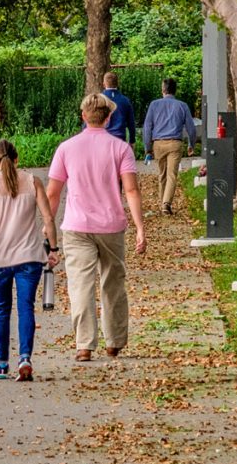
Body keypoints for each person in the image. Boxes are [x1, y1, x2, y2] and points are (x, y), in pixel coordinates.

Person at [49, 94, 147, 360]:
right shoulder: (121, 149)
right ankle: (114, 341)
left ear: (83, 116)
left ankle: (84, 344)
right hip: (111, 226)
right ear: (109, 117)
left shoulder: (66, 148)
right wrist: (139, 226)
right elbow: (131, 190)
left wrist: (48, 227)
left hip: (76, 226)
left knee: (80, 284)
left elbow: (53, 193)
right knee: (113, 283)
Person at [0, 138, 57, 381]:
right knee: (25, 307)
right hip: (29, 257)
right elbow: (48, 218)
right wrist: (53, 248)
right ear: (17, 159)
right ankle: (25, 358)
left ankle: (1, 364)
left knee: (2, 309)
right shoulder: (33, 182)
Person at [141, 78, 202, 217]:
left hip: (158, 144)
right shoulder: (182, 106)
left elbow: (147, 127)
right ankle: (166, 204)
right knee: (171, 175)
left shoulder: (154, 105)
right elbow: (191, 128)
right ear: (175, 90)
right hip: (175, 143)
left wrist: (147, 148)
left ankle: (163, 203)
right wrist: (191, 144)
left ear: (163, 90)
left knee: (162, 174)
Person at [101, 69, 138, 153]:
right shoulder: (125, 100)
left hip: (102, 140)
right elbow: (131, 123)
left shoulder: (99, 100)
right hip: (120, 140)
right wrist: (132, 141)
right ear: (118, 83)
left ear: (104, 84)